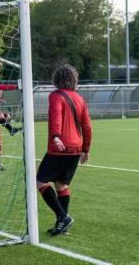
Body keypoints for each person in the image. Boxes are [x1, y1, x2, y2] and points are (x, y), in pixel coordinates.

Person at [36, 64, 92, 236]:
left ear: (57, 79)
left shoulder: (55, 96)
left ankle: (63, 216)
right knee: (61, 185)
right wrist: (86, 149)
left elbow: (56, 115)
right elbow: (87, 126)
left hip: (59, 147)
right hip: (75, 149)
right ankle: (62, 226)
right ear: (73, 79)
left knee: (40, 182)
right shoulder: (80, 99)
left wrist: (55, 136)